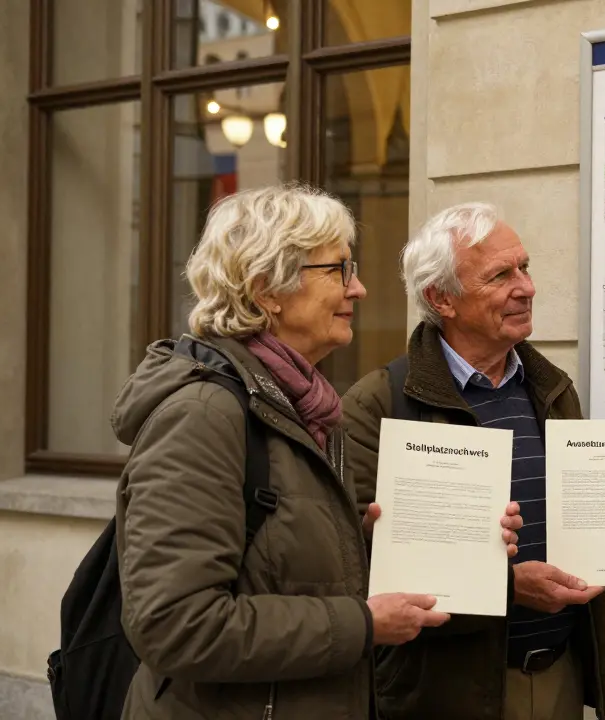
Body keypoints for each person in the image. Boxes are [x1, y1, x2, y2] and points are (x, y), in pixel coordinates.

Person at [112, 184, 523, 718]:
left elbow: (281, 564)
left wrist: (392, 537)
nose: (360, 290)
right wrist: (366, 624)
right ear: (267, 289)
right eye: (339, 270)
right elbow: (174, 624)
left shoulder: (304, 407)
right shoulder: (203, 415)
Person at [341, 202, 605, 720]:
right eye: (501, 275)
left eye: (524, 267)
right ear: (443, 299)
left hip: (558, 676)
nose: (525, 287)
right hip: (445, 692)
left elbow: (578, 521)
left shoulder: (550, 389)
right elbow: (358, 567)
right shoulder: (381, 403)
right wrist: (510, 589)